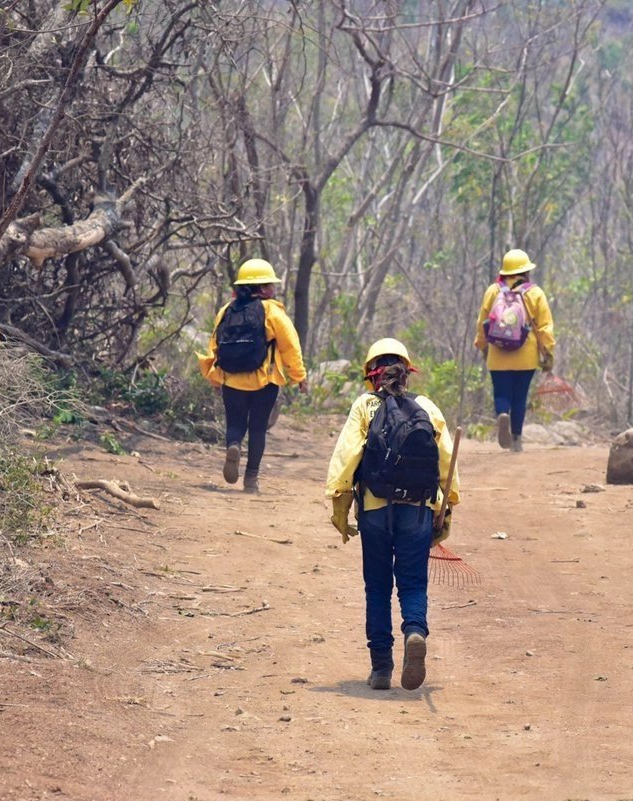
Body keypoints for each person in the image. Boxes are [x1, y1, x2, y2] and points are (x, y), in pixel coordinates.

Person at [325, 338, 460, 691]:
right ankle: (414, 632)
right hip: (417, 510)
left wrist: (340, 509)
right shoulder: (427, 407)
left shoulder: (364, 407)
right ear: (407, 372)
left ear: (371, 376)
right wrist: (445, 509)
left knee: (378, 588)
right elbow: (447, 465)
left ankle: (381, 668)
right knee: (413, 583)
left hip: (374, 510)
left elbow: (345, 461)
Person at [197, 258, 307, 493]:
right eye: (271, 284)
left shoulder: (227, 310)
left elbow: (214, 346)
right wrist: (299, 377)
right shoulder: (272, 311)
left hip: (232, 381)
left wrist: (215, 378)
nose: (274, 289)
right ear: (264, 288)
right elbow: (290, 346)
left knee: (235, 425)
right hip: (264, 382)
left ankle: (234, 445)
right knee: (257, 429)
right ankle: (251, 480)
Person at [474, 248, 556, 452]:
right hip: (525, 355)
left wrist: (483, 346)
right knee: (520, 396)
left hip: (497, 353)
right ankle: (517, 440)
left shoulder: (493, 291)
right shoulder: (534, 292)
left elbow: (482, 322)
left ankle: (502, 413)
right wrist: (548, 351)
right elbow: (545, 326)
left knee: (501, 393)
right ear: (525, 271)